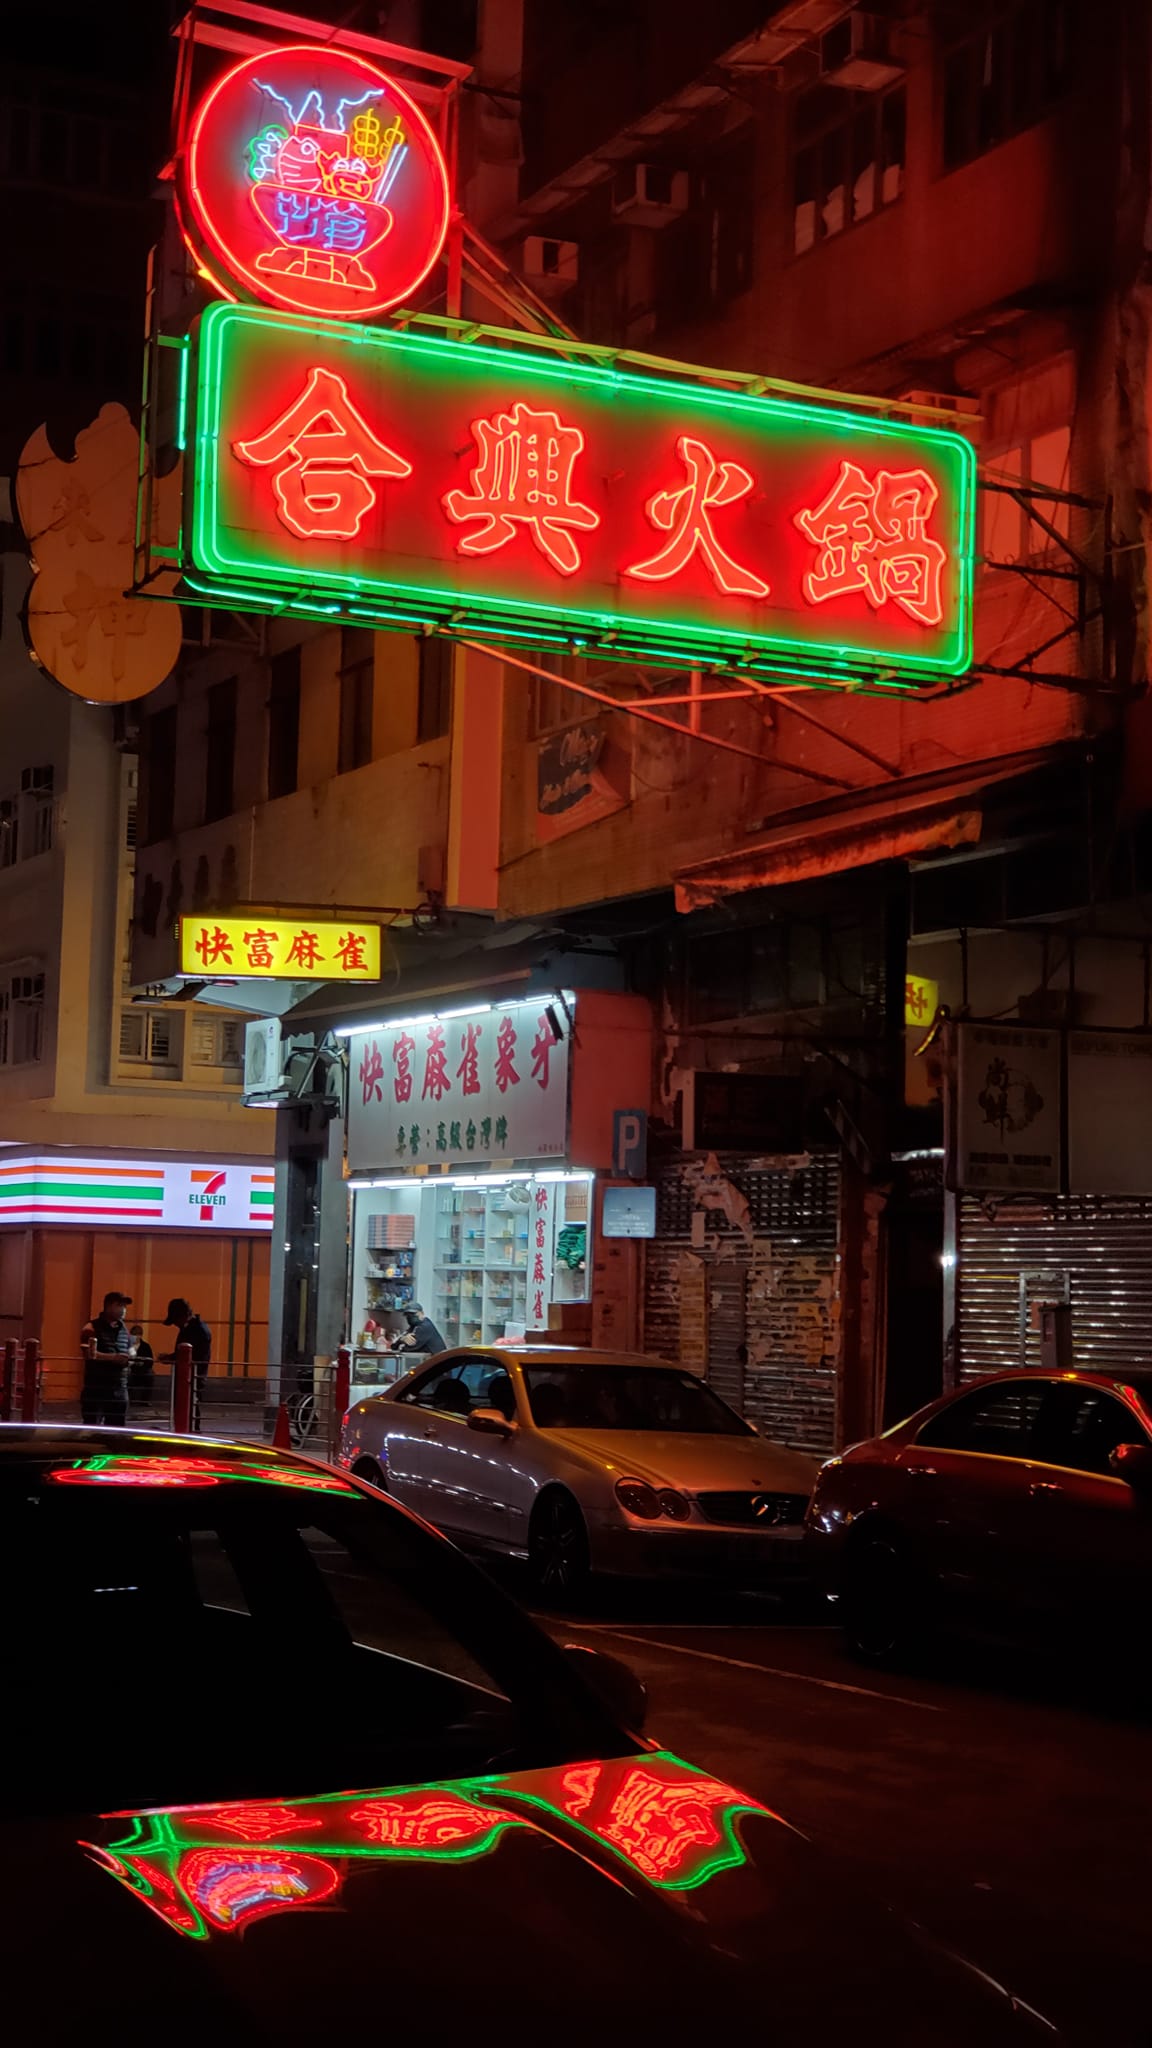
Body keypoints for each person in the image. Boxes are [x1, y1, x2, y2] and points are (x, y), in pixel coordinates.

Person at [80, 1291, 133, 1427]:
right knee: (91, 1428)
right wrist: (113, 1358)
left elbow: (131, 1350)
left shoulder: (125, 1330)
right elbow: (88, 1354)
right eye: (119, 1305)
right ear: (108, 1306)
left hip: (119, 1389)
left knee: (117, 1430)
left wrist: (131, 1358)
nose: (123, 1310)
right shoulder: (91, 1327)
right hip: (96, 1388)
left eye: (124, 1306)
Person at [163, 1297, 212, 1430]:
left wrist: (171, 1358)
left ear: (182, 1316)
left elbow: (193, 1355)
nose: (175, 1324)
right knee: (187, 1409)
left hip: (192, 1377)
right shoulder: (194, 1328)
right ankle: (188, 1431)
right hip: (189, 1376)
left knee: (188, 1409)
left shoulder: (197, 1330)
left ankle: (190, 1432)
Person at [128, 1324, 154, 1408]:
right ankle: (127, 1399)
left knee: (150, 1374)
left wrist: (143, 1364)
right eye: (133, 1335)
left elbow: (150, 1361)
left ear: (140, 1335)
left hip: (143, 1371)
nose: (135, 1337)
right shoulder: (128, 1346)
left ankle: (145, 1400)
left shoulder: (146, 1346)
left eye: (137, 1335)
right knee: (127, 1374)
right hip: (130, 1370)